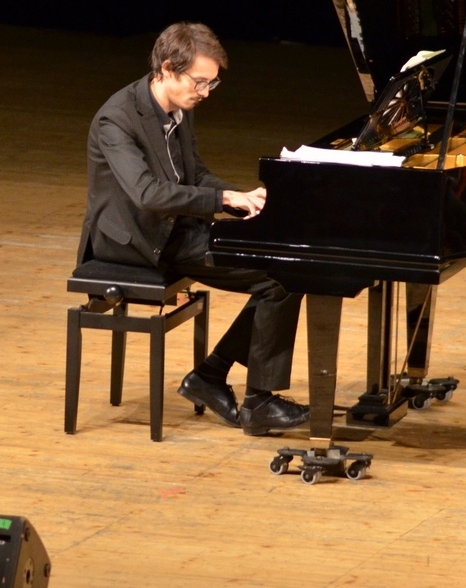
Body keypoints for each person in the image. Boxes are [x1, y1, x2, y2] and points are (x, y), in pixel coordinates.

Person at [78, 22, 308, 436]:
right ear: (168, 68)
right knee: (278, 277)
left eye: (212, 83)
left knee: (287, 268)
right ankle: (253, 399)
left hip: (176, 227)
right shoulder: (116, 120)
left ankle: (212, 377)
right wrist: (222, 200)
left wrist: (241, 197)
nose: (205, 92)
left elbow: (195, 174)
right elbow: (147, 193)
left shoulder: (178, 109)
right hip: (137, 240)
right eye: (200, 82)